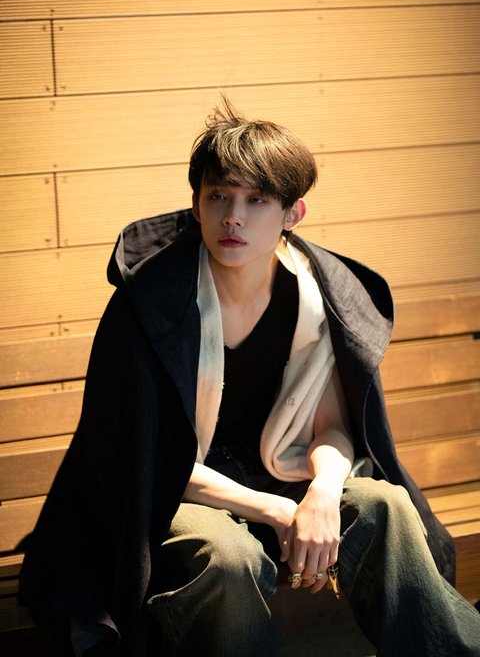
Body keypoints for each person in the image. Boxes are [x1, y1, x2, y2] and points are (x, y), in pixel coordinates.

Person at [19, 101, 480, 656]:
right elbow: (143, 462)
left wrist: (322, 494)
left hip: (276, 472)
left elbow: (333, 428)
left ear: (292, 213)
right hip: (177, 494)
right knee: (228, 557)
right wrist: (274, 510)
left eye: (256, 200)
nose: (232, 217)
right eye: (218, 196)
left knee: (384, 506)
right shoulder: (151, 303)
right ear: (197, 203)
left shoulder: (316, 297)